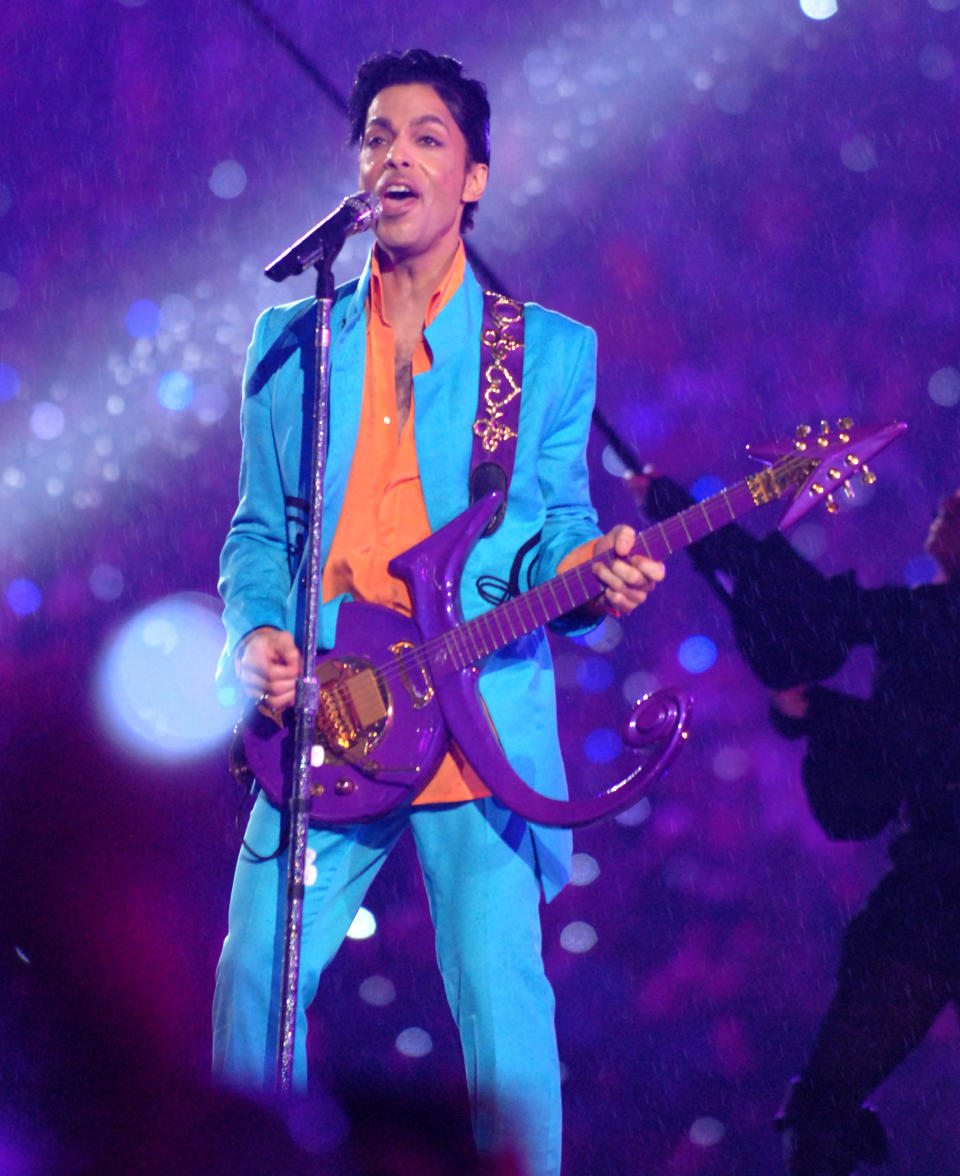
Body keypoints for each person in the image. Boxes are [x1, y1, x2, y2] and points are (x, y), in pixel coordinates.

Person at [212, 49, 665, 1176]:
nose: (396, 153)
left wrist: (594, 561)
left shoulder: (543, 350)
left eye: (426, 137)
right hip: (331, 708)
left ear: (473, 177)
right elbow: (258, 533)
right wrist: (259, 634)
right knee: (252, 976)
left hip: (473, 711)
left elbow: (555, 521)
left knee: (503, 1012)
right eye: (377, 135)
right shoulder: (291, 344)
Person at [640, 474, 960, 1176]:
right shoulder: (928, 616)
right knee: (823, 1103)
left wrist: (821, 711)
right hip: (936, 894)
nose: (947, 499)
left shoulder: (932, 618)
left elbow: (917, 734)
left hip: (939, 897)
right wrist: (685, 516)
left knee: (823, 1106)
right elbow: (818, 617)